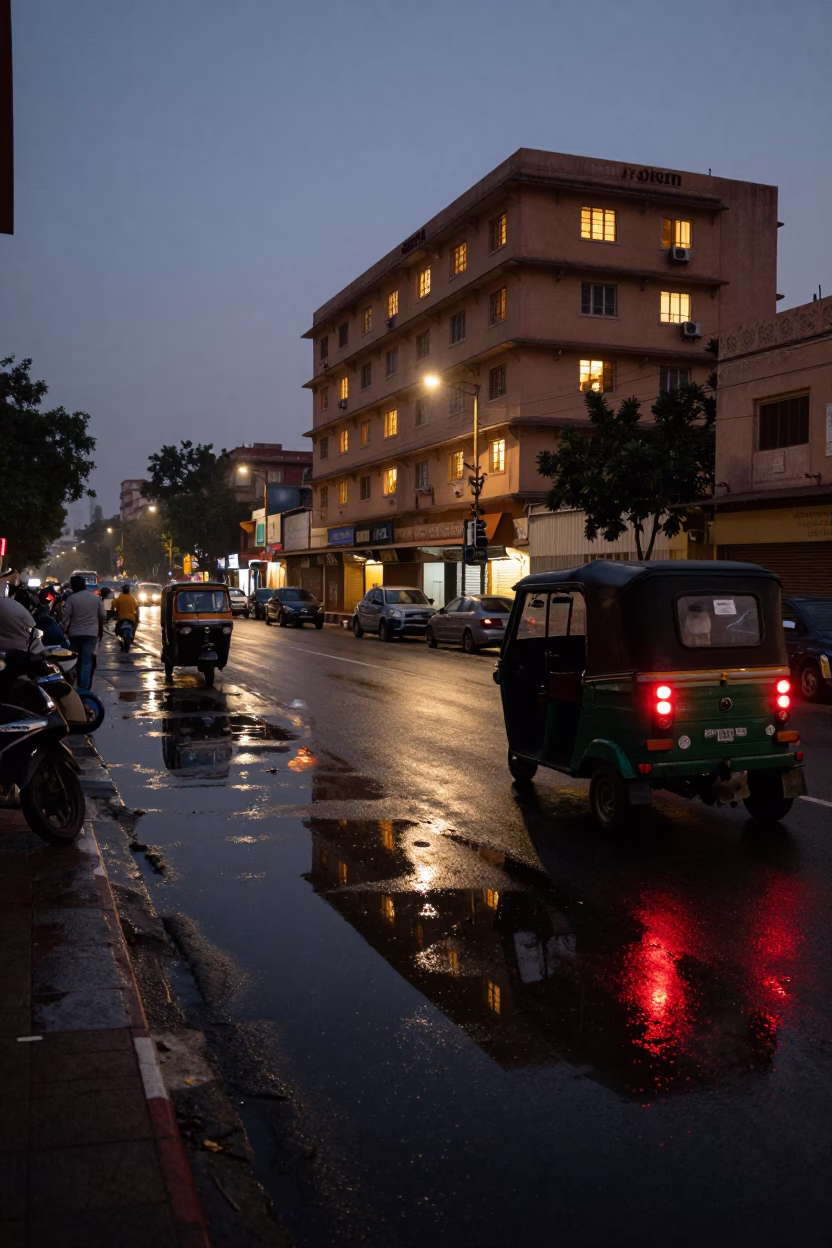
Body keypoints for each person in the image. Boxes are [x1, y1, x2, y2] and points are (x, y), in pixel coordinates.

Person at [62, 574, 105, 689]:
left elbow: (66, 617)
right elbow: (102, 616)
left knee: (73, 661)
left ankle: (70, 687)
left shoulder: (71, 598)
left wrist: (64, 630)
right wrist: (100, 631)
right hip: (91, 635)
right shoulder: (96, 598)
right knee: (86, 662)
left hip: (74, 635)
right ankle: (84, 688)